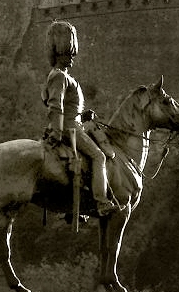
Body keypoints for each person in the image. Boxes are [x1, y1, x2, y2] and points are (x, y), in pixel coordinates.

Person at [41, 21, 120, 216]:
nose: (71, 58)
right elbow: (56, 107)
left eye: (71, 54)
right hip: (70, 129)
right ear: (58, 54)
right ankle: (101, 203)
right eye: (67, 54)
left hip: (74, 124)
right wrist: (58, 133)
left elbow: (67, 107)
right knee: (99, 157)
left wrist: (83, 116)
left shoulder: (63, 76)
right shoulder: (59, 76)